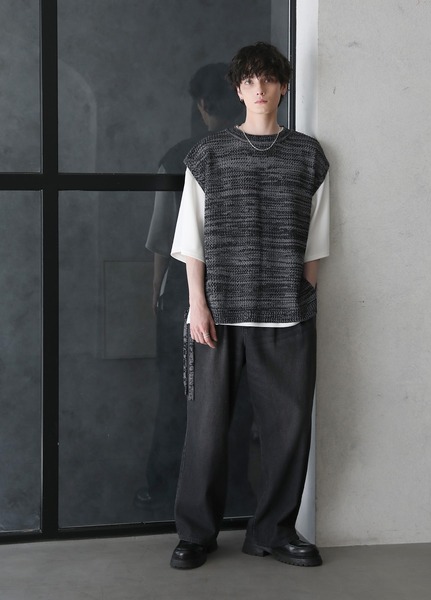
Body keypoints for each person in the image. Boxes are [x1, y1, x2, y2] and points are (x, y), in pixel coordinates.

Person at [169, 42, 330, 569]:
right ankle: (196, 534)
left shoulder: (308, 155)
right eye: (249, 81)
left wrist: (304, 296)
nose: (259, 89)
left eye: (268, 79)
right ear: (238, 90)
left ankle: (273, 532)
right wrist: (197, 305)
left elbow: (317, 241)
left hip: (287, 313)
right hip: (219, 313)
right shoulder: (209, 154)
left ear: (282, 86)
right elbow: (190, 237)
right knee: (207, 430)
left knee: (288, 429)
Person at [136, 64, 255, 516]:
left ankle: (164, 488)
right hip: (243, 289)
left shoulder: (178, 156)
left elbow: (163, 237)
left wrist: (156, 289)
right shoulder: (257, 151)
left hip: (186, 295)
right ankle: (234, 490)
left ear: (203, 104)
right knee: (237, 394)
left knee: (177, 392)